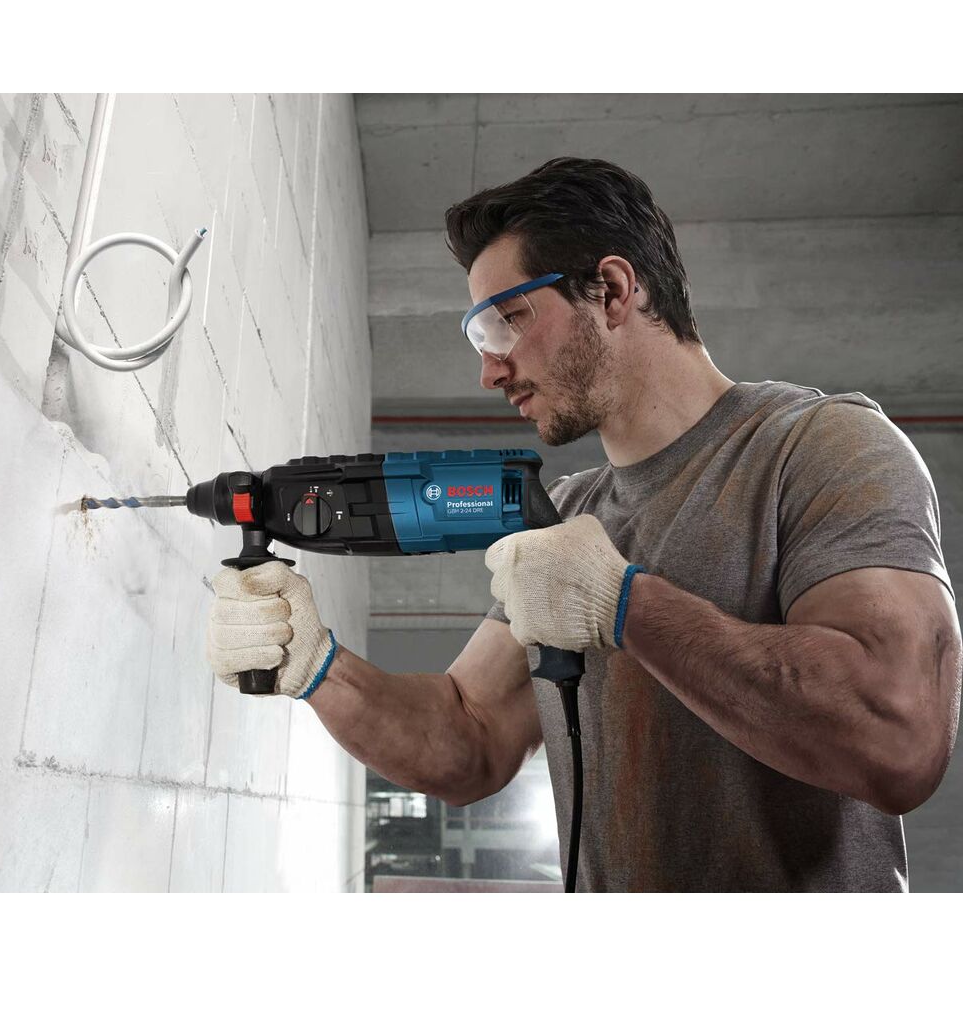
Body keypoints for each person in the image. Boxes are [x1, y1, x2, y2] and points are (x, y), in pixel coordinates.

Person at [205, 157, 961, 892]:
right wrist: (317, 665)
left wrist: (625, 605)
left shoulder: (822, 446)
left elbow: (900, 738)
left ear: (612, 290)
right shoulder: (567, 513)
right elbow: (469, 737)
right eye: (480, 338)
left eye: (506, 322)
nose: (489, 370)